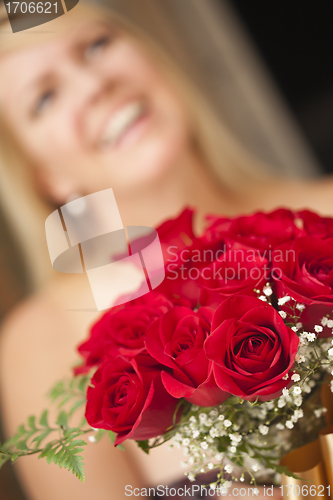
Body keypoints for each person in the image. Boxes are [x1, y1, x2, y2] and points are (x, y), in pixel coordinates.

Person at [0, 2, 332, 499]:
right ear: (45, 175)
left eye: (96, 45)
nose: (95, 85)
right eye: (45, 98)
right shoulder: (41, 341)